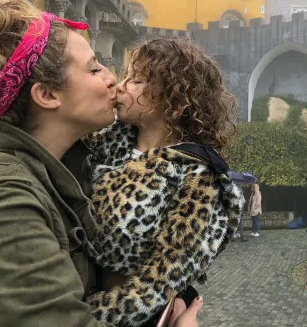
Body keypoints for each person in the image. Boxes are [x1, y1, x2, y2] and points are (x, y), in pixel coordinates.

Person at [0, 0, 118, 326]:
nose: (112, 78)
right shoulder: (2, 197)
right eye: (94, 68)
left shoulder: (57, 169)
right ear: (48, 95)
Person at [81, 37, 243, 326]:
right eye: (126, 75)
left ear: (175, 98)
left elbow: (157, 285)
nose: (121, 85)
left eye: (137, 80)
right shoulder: (101, 141)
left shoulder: (199, 179)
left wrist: (74, 314)